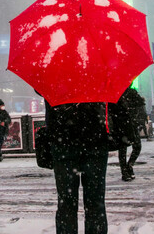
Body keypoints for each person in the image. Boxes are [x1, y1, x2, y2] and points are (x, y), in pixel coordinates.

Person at [45, 97, 109, 233]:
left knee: (66, 202)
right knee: (95, 201)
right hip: (94, 143)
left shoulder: (55, 82)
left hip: (64, 143)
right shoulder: (97, 82)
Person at [117, 87, 146, 181]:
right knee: (122, 148)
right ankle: (124, 170)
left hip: (131, 124)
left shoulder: (132, 93)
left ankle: (129, 166)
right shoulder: (117, 93)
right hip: (121, 124)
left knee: (136, 146)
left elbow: (141, 107)